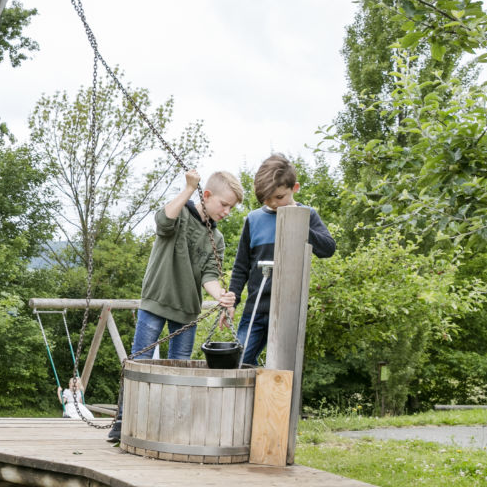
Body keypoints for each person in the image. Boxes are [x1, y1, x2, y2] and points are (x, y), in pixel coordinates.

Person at [108, 169, 242, 444]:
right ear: (206, 195)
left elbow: (209, 276)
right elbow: (162, 221)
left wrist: (221, 296)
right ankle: (123, 422)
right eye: (224, 204)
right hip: (156, 301)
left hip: (186, 312)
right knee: (139, 364)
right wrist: (188, 189)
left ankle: (171, 429)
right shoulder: (179, 213)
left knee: (181, 371)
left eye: (232, 207)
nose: (227, 211)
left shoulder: (216, 240)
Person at [228, 154, 337, 366]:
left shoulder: (307, 215)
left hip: (290, 310)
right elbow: (241, 266)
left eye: (279, 197)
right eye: (267, 199)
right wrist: (233, 300)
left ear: (294, 188)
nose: (273, 203)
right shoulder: (254, 219)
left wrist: (299, 222)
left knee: (284, 370)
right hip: (257, 308)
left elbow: (328, 248)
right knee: (239, 363)